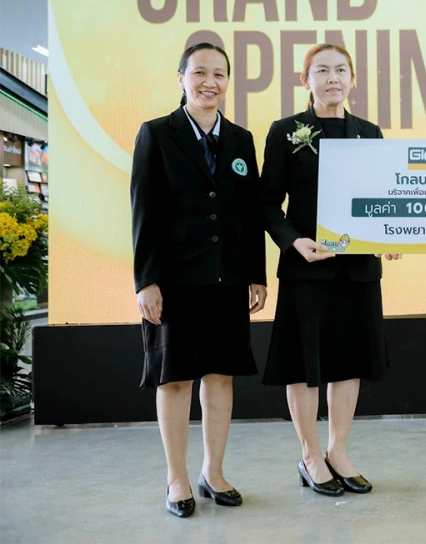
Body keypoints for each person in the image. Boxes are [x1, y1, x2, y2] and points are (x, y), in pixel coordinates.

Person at [131, 42, 267, 517]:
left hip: (228, 280)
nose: (210, 82)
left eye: (220, 74)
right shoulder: (156, 133)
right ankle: (177, 478)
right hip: (173, 282)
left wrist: (255, 275)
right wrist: (146, 281)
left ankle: (214, 472)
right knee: (174, 380)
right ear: (181, 78)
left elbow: (249, 214)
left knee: (220, 377)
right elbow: (143, 212)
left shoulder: (241, 139)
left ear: (228, 81)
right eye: (200, 73)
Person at [260, 43, 400, 497]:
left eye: (341, 70)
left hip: (358, 269)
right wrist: (292, 241)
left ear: (352, 80)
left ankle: (338, 451)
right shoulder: (285, 131)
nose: (332, 78)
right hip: (306, 268)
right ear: (306, 81)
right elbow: (267, 203)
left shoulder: (369, 133)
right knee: (303, 365)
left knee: (349, 362)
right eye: (321, 70)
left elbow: (381, 195)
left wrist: (390, 235)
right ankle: (310, 455)